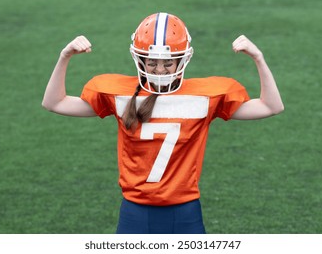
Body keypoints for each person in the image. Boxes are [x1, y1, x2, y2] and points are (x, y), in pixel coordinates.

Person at [42, 12, 284, 234]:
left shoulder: (205, 96)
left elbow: (271, 106)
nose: (159, 69)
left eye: (168, 62)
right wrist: (64, 56)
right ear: (140, 59)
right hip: (135, 211)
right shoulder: (120, 94)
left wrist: (259, 58)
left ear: (182, 60)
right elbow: (55, 103)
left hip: (184, 211)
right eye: (152, 62)